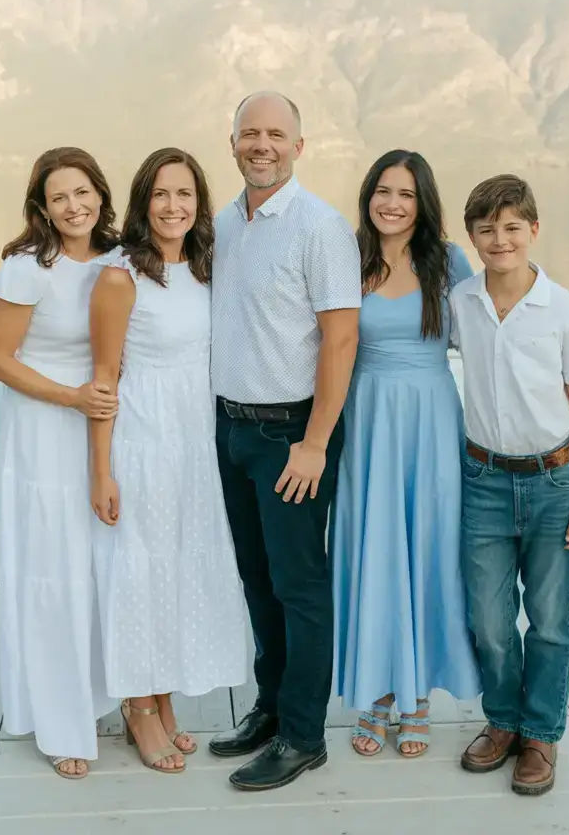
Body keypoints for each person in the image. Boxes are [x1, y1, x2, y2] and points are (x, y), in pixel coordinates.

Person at [208, 91, 362, 792]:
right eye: (251, 133)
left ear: (299, 147)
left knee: (299, 585)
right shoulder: (223, 225)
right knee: (256, 578)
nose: (261, 145)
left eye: (276, 134)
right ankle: (269, 707)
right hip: (231, 429)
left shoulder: (319, 228)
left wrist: (315, 442)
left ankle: (303, 736)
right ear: (233, 143)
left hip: (291, 434)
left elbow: (341, 339)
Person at [88, 147, 248, 775]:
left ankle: (163, 697)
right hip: (143, 444)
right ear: (142, 202)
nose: (173, 206)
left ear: (199, 203)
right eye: (160, 194)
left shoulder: (205, 269)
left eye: (184, 193)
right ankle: (138, 705)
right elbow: (104, 380)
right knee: (142, 570)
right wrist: (102, 471)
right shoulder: (120, 277)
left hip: (194, 444)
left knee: (179, 568)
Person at [450, 173, 569, 797]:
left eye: (512, 228)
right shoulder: (461, 302)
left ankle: (540, 733)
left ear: (533, 230)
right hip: (483, 479)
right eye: (487, 230)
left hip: (553, 481)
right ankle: (503, 720)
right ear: (472, 236)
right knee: (488, 618)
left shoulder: (565, 311)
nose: (500, 240)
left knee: (549, 617)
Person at [331, 150, 481, 758]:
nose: (392, 204)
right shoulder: (347, 257)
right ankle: (378, 690)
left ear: (423, 204)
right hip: (366, 417)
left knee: (427, 546)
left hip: (431, 420)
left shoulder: (448, 261)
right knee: (373, 546)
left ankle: (417, 694)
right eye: (383, 191)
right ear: (368, 195)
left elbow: (483, 340)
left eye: (406, 194)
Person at [0, 147, 121, 779]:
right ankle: (60, 721)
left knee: (102, 564)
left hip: (107, 425)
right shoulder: (26, 268)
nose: (74, 206)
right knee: (53, 569)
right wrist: (72, 398)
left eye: (83, 192)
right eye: (59, 197)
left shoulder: (119, 259)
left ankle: (105, 696)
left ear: (101, 194)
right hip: (45, 427)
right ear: (41, 207)